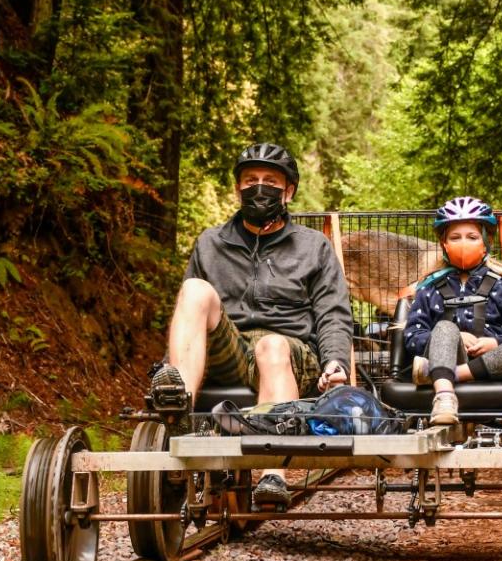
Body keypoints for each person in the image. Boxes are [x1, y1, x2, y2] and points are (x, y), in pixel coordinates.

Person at [151, 143, 353, 507]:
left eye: (270, 181)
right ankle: (178, 412)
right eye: (251, 180)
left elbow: (332, 313)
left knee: (271, 346)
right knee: (194, 289)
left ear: (288, 191)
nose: (259, 188)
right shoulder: (210, 243)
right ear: (238, 189)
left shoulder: (314, 246)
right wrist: (169, 362)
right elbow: (188, 317)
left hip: (290, 352)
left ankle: (272, 473)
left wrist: (335, 363)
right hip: (230, 347)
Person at [403, 197, 502, 427]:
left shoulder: (500, 287)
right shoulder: (429, 289)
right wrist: (450, 337)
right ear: (444, 243)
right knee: (446, 328)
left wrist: (495, 343)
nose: (463, 243)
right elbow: (412, 337)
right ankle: (444, 397)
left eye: (472, 237)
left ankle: (450, 373)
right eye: (455, 237)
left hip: (492, 364)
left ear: (485, 242)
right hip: (445, 354)